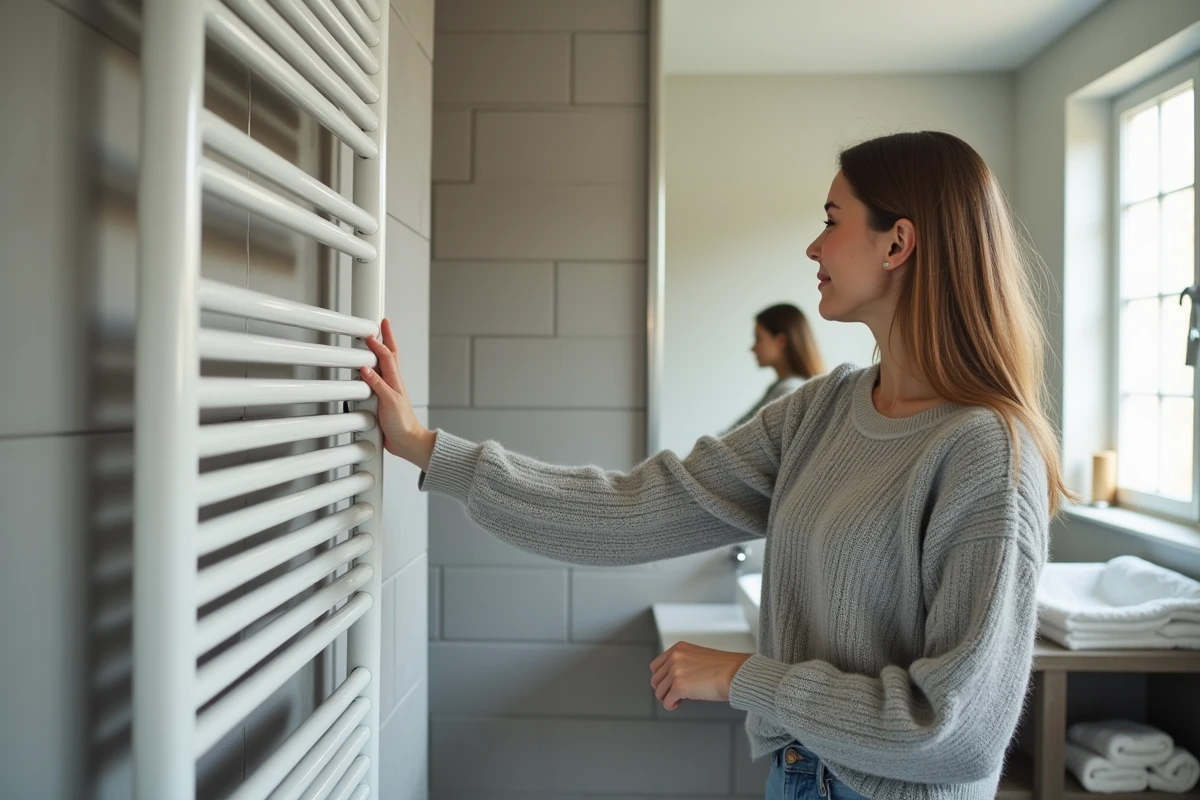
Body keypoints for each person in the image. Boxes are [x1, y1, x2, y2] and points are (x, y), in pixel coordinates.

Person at [358, 131, 1070, 800]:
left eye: (831, 221)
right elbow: (632, 510)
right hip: (799, 776)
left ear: (898, 243)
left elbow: (957, 731)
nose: (813, 246)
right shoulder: (820, 411)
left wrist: (744, 677)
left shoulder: (985, 452)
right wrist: (425, 447)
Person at [726, 303, 825, 433]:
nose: (752, 348)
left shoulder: (789, 391)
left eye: (758, 339)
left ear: (780, 341)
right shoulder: (780, 388)